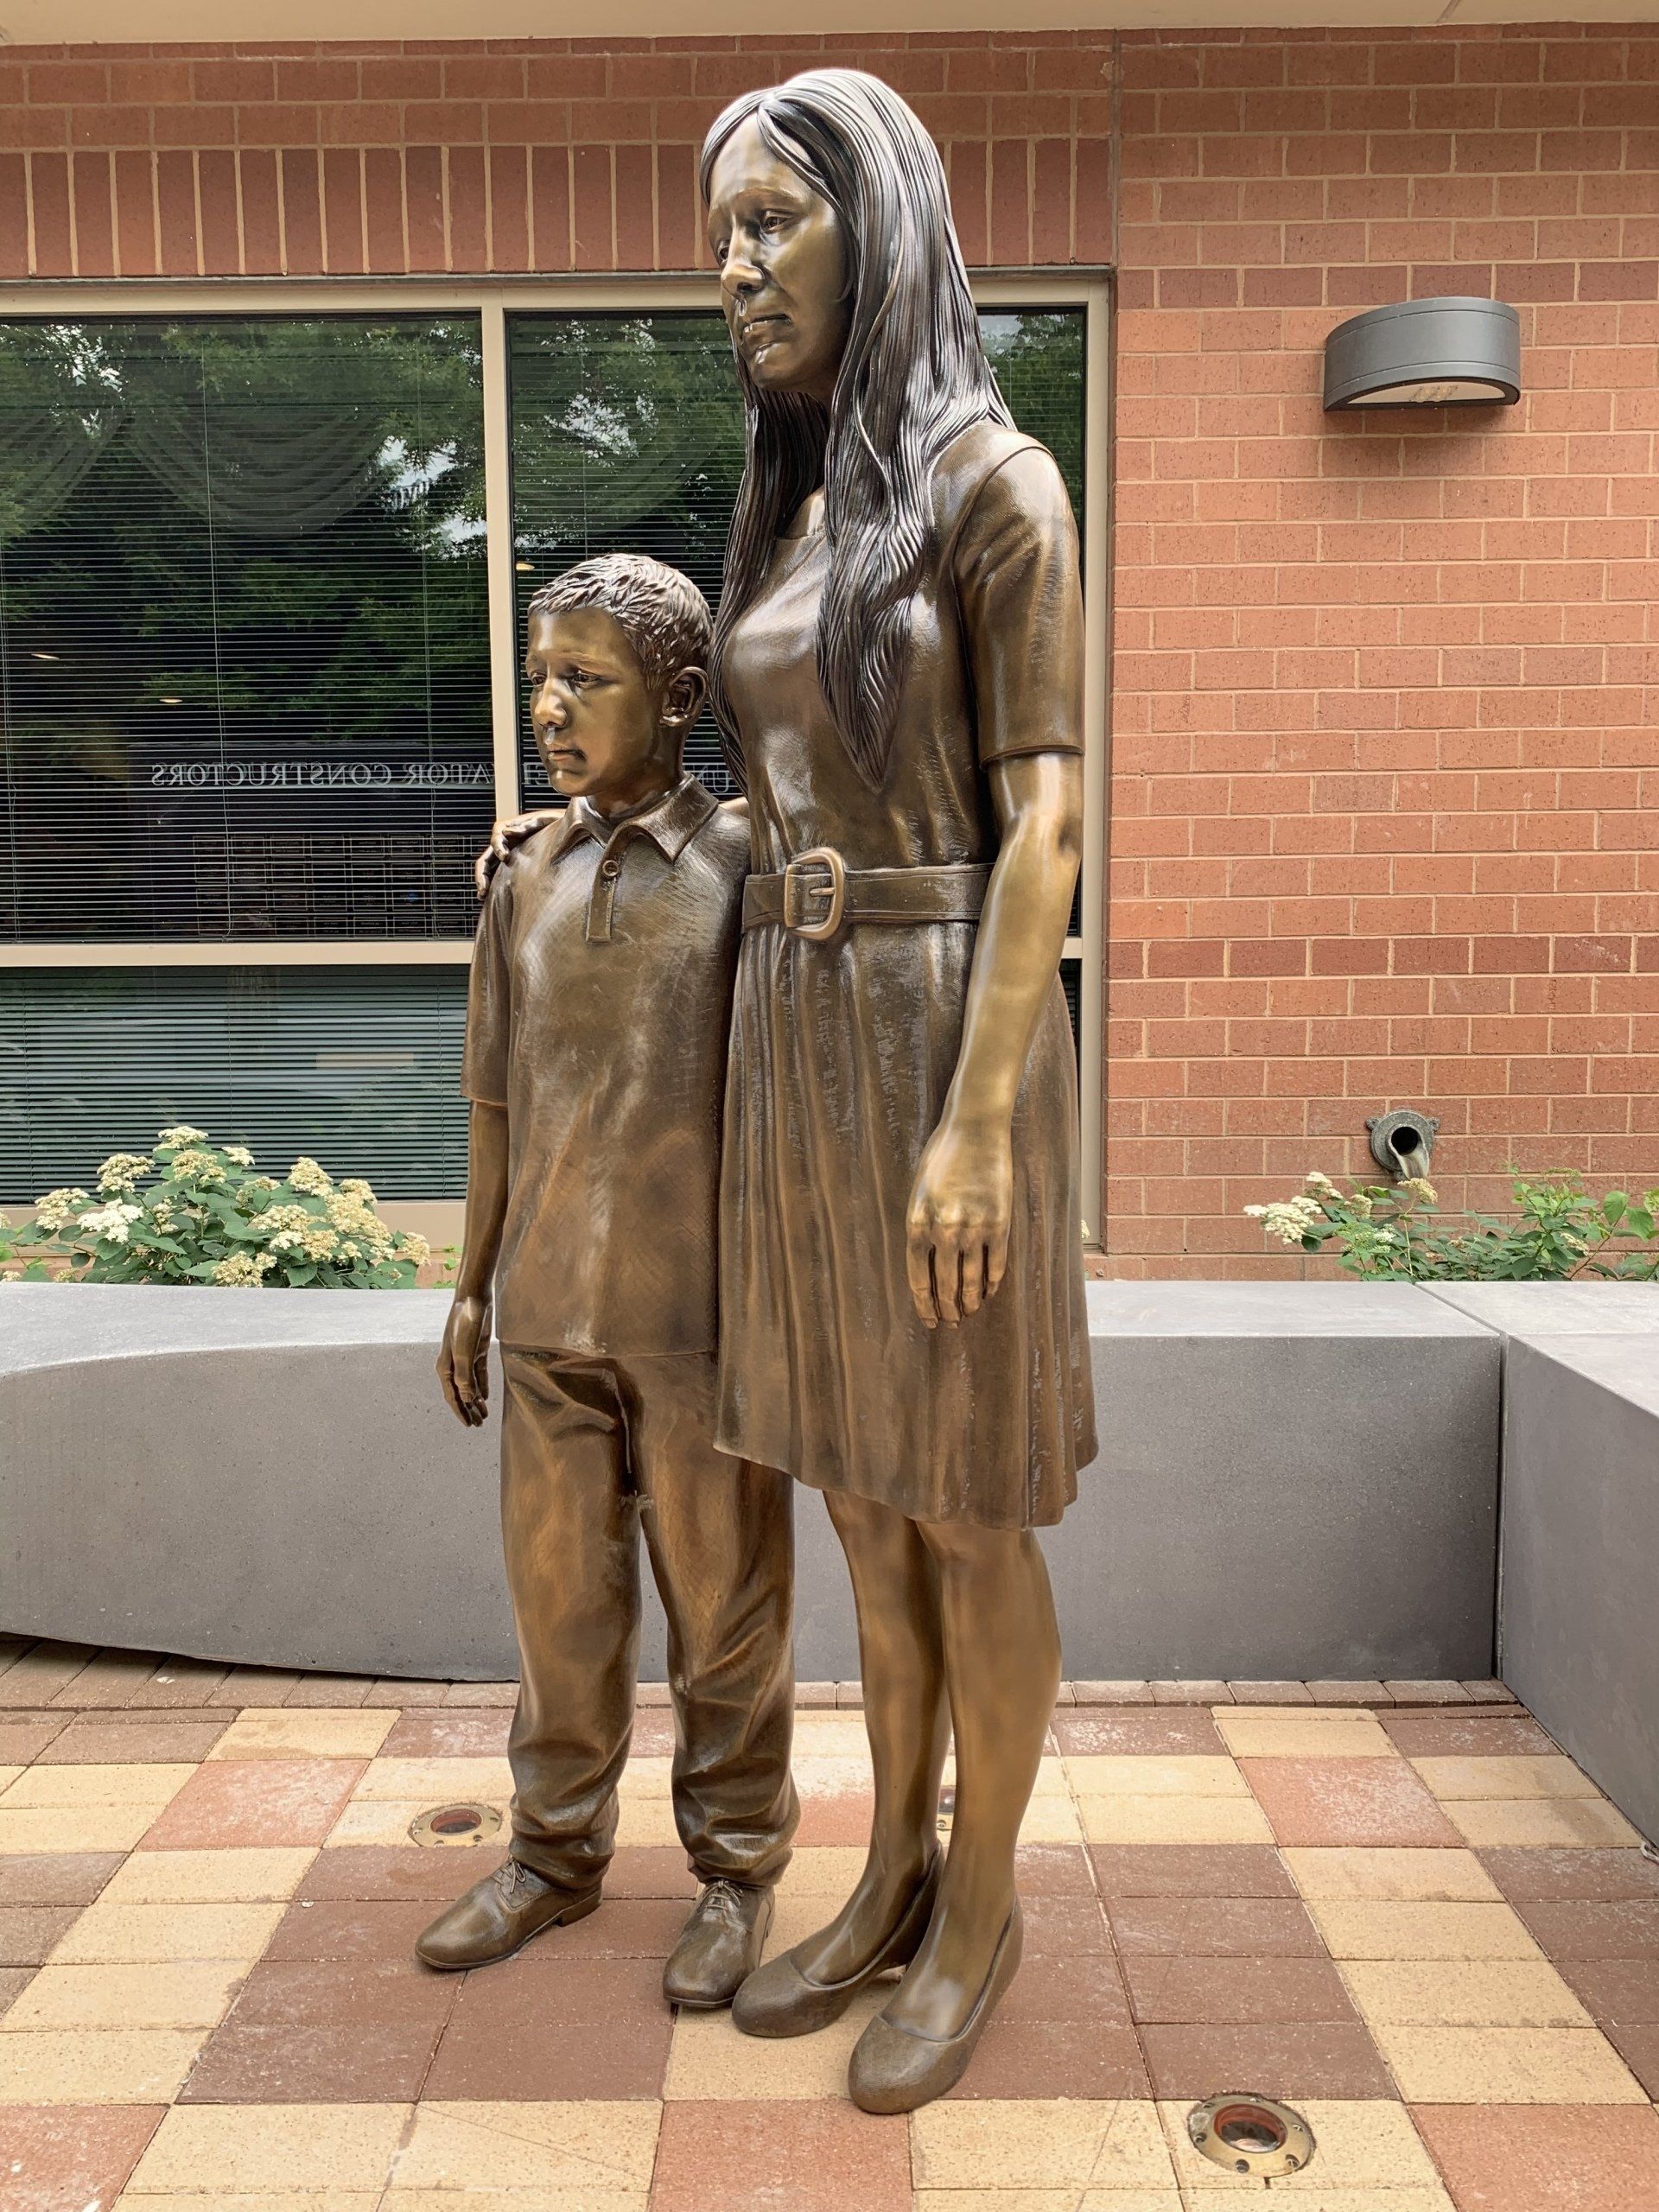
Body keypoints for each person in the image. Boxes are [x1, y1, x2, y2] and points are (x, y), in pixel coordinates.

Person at [702, 69, 1098, 2112]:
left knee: (963, 1500)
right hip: (797, 1029)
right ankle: (891, 1868)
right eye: (721, 238)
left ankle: (985, 1900)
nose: (736, 268)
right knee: (864, 1490)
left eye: (772, 220)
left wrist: (976, 1117)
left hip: (945, 1027)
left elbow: (1050, 831)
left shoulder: (994, 485)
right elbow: (777, 793)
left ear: (887, 222)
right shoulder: (797, 516)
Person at [418, 553, 798, 2012]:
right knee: (559, 1609)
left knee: (728, 1611)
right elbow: (494, 1099)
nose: (551, 710)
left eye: (587, 679)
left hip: (706, 1322)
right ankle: (553, 1854)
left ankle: (738, 1867)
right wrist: (471, 1285)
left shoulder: (753, 862)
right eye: (541, 680)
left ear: (682, 695)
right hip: (547, 1313)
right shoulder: (522, 874)